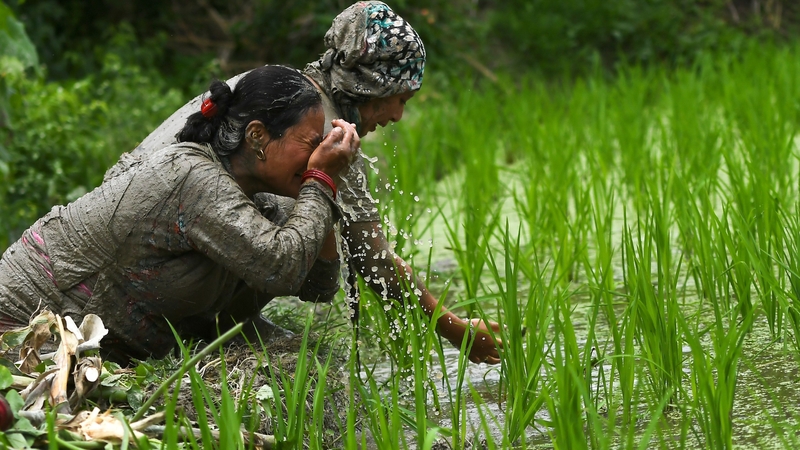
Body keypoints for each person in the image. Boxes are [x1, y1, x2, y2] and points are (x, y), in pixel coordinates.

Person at [130, 1, 502, 365]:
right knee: (298, 206)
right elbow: (374, 260)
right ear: (370, 84)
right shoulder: (321, 132)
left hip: (144, 240)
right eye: (399, 98)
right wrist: (454, 329)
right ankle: (209, 327)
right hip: (153, 273)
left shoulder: (270, 86)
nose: (397, 116)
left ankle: (220, 321)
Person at [0, 65, 360, 362]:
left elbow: (318, 284)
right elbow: (281, 266)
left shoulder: (258, 195)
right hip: (27, 332)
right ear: (257, 137)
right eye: (311, 144)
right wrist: (321, 178)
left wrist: (322, 184)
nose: (317, 156)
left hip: (92, 352)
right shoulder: (192, 177)